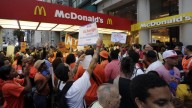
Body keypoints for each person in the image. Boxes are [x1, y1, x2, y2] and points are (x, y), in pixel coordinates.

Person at [54, 38, 102, 108]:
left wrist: (78, 61)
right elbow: (92, 65)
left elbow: (72, 73)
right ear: (69, 74)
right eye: (69, 68)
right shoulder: (76, 87)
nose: (71, 68)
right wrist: (98, 47)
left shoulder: (60, 83)